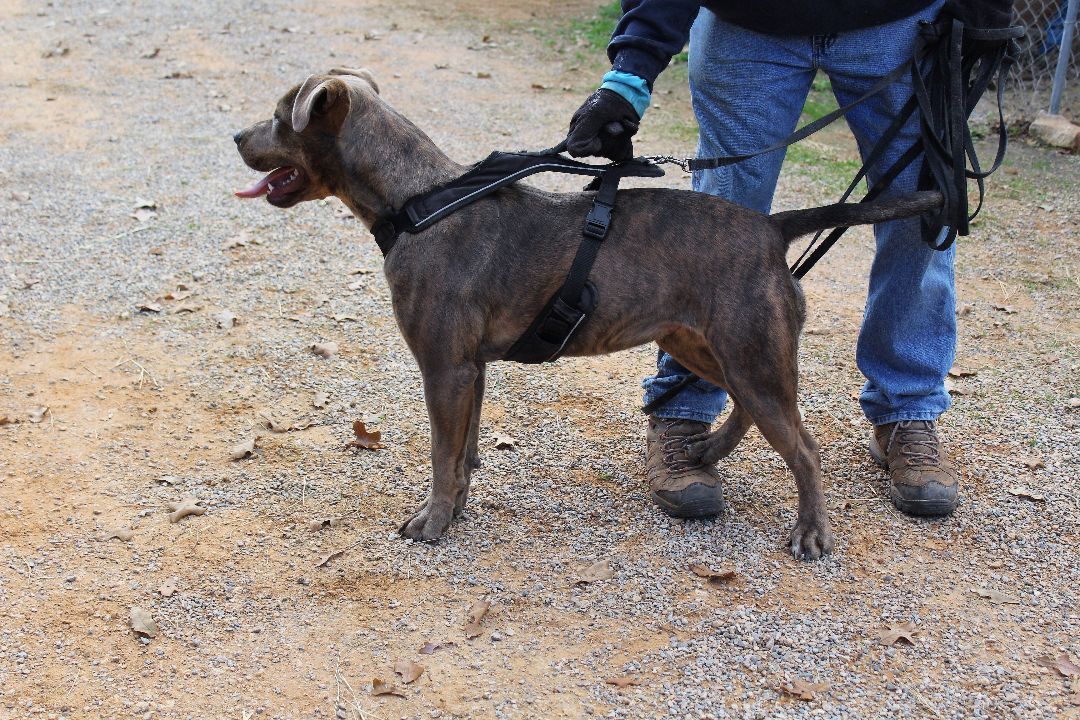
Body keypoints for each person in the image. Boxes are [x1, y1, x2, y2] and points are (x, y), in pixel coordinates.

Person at [565, 0, 1014, 521]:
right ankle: (685, 409)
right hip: (749, 27)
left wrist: (983, 11)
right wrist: (631, 70)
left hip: (898, 22)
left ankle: (907, 410)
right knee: (714, 236)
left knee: (921, 218)